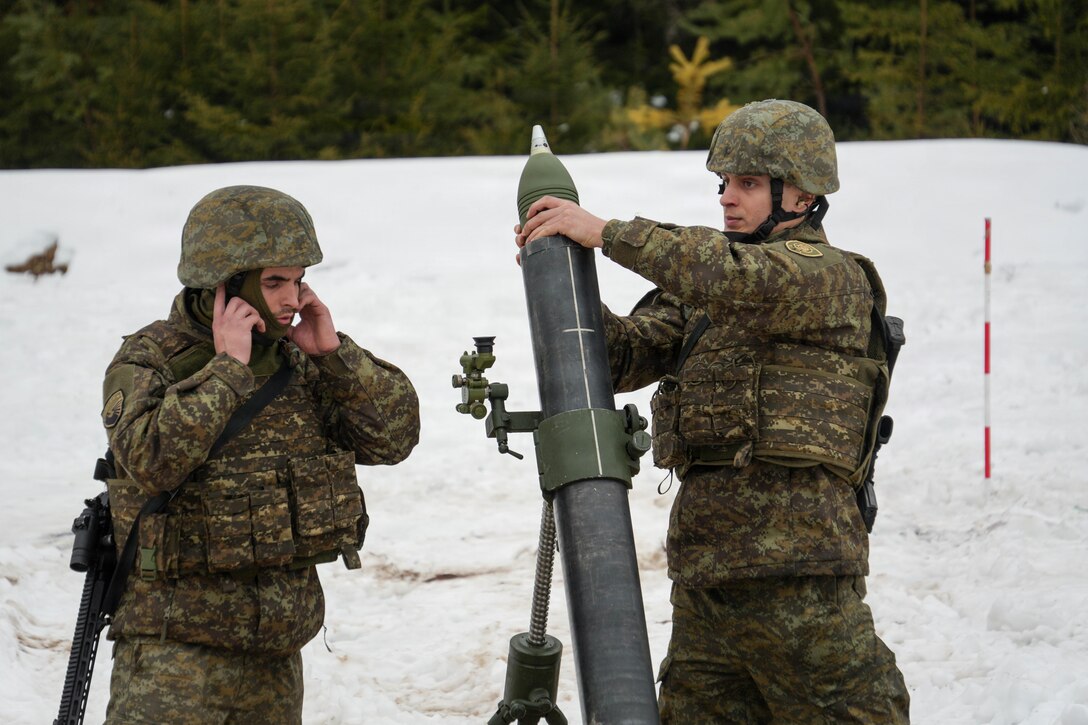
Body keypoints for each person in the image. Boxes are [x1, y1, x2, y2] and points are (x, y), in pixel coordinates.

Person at [516, 99, 910, 722]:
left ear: (802, 193)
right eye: (724, 183)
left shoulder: (830, 278)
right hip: (706, 588)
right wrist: (562, 284)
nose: (728, 198)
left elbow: (738, 280)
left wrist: (608, 233)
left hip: (801, 583)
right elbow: (620, 359)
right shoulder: (697, 294)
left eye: (748, 183)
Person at [99, 185, 420, 723]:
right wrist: (227, 370)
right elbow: (152, 460)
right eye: (274, 283)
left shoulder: (302, 358)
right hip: (174, 656)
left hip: (276, 652)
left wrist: (335, 356)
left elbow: (392, 439)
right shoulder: (151, 359)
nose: (293, 300)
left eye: (297, 281)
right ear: (223, 283)